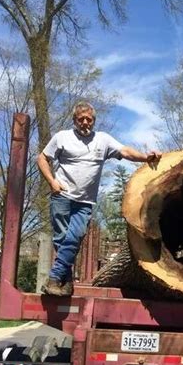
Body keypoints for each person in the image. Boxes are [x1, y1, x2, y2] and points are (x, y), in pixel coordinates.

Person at [37, 101, 161, 296]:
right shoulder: (62, 137)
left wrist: (146, 157)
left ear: (94, 120)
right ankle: (66, 283)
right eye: (81, 119)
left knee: (75, 237)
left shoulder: (102, 140)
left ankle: (54, 279)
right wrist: (52, 181)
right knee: (61, 240)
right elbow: (42, 158)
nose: (85, 122)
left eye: (89, 119)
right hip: (62, 196)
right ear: (74, 120)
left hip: (85, 201)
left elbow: (126, 151)